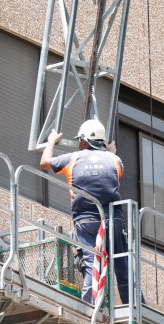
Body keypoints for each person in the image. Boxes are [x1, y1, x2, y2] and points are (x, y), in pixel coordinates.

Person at [40, 119, 131, 306]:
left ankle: (90, 307)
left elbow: (44, 162)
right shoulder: (115, 160)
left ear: (83, 141)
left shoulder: (72, 158)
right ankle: (134, 307)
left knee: (91, 264)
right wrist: (110, 151)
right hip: (113, 220)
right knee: (122, 266)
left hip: (86, 221)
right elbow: (114, 169)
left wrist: (51, 141)